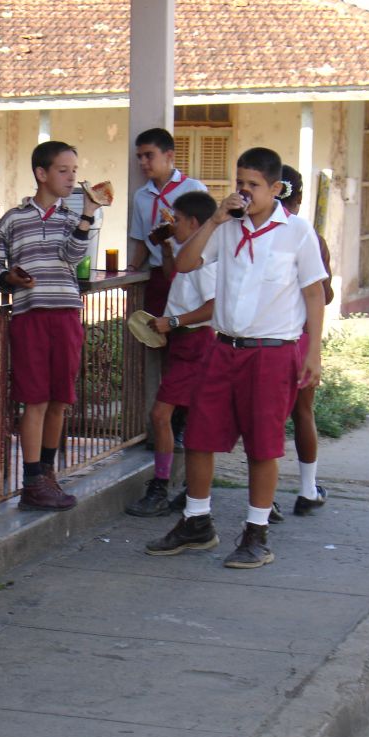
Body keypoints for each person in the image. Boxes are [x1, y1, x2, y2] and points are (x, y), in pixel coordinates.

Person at [145, 147, 327, 568]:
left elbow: (314, 293)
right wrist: (213, 220)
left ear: (276, 189)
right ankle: (196, 522)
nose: (244, 192)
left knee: (262, 446)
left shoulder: (297, 232)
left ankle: (256, 532)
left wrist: (313, 350)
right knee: (201, 437)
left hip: (272, 352)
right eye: (240, 183)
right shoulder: (226, 229)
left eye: (254, 185)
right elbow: (186, 264)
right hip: (222, 347)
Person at [0, 141, 103, 511]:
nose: (72, 178)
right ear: (42, 173)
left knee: (60, 399)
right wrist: (9, 278)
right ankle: (33, 479)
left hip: (66, 314)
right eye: (64, 170)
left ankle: (47, 473)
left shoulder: (74, 219)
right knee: (35, 399)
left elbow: (73, 256)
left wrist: (87, 216)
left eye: (75, 171)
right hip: (30, 317)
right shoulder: (13, 219)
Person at [125, 191, 217, 517]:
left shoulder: (205, 259)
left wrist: (174, 321)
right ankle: (193, 489)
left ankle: (161, 486)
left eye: (177, 220)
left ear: (194, 222)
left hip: (197, 343)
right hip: (182, 343)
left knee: (161, 416)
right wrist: (165, 249)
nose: (172, 224)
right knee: (191, 421)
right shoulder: (185, 252)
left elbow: (212, 307)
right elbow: (173, 277)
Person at [276, 164, 334, 516]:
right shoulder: (310, 236)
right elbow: (323, 295)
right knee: (302, 413)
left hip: (269, 337)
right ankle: (307, 488)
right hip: (301, 338)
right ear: (299, 197)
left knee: (264, 420)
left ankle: (264, 503)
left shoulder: (254, 233)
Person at [127, 128, 207, 316]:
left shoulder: (193, 188)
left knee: (187, 332)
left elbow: (207, 234)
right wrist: (131, 270)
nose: (143, 162)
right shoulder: (141, 196)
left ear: (169, 155)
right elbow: (141, 241)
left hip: (188, 273)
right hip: (158, 274)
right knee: (154, 334)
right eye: (139, 157)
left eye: (149, 155)